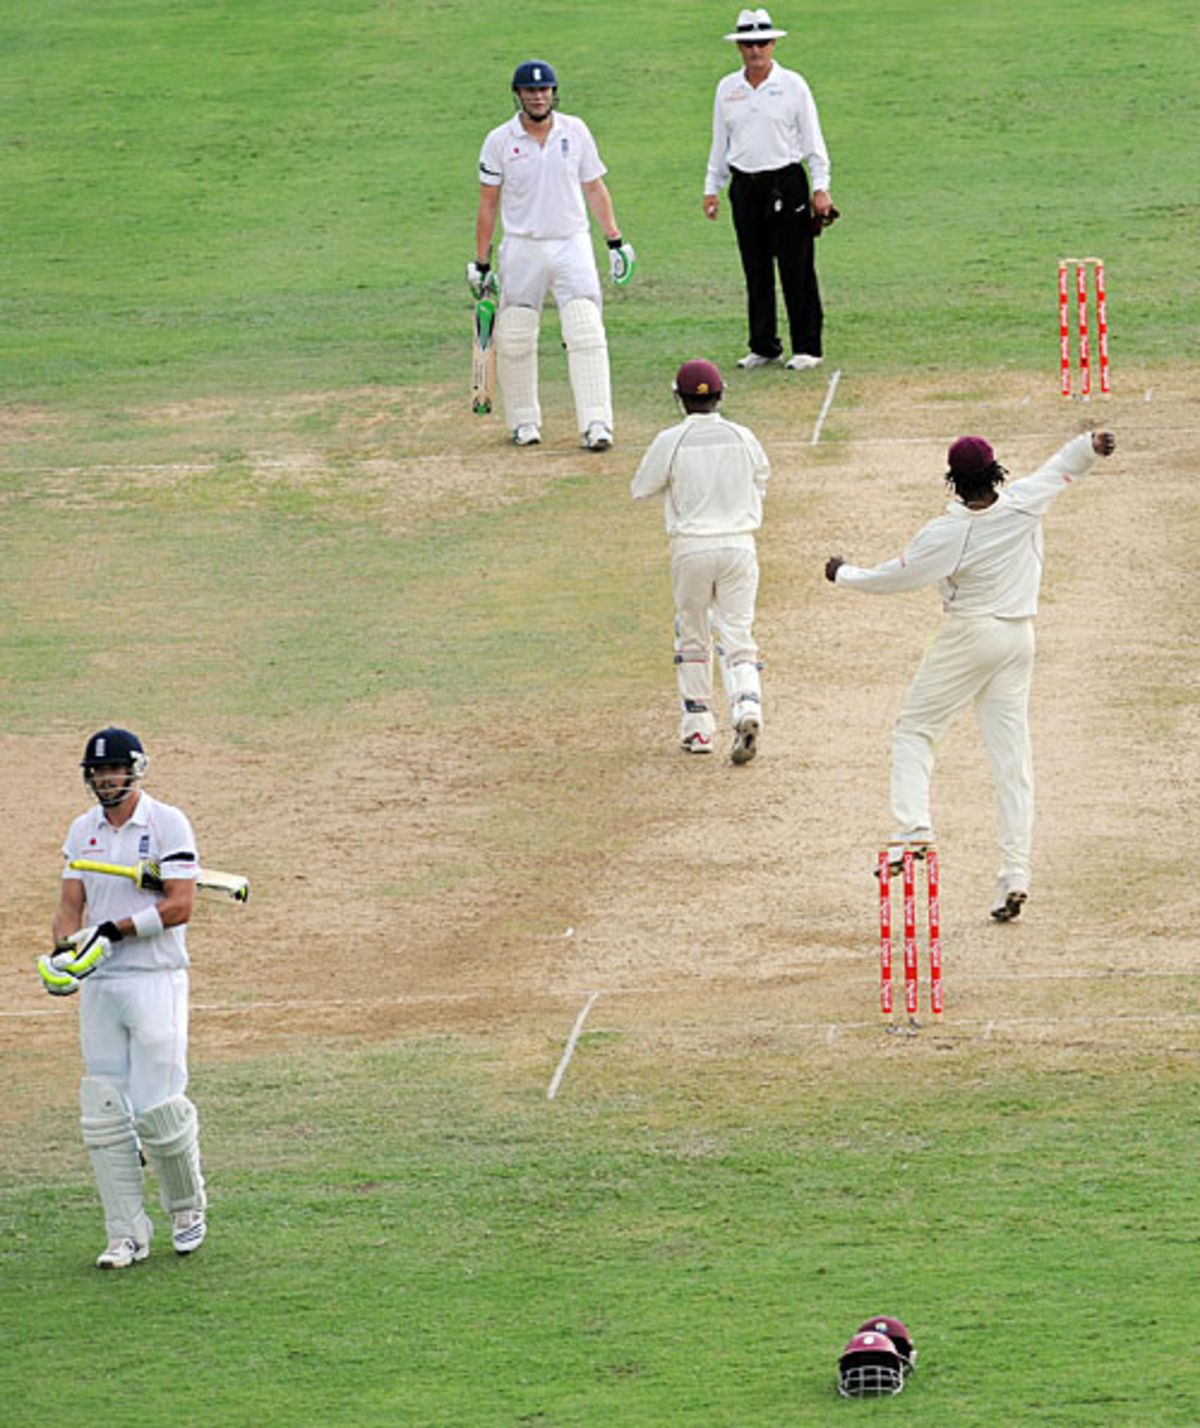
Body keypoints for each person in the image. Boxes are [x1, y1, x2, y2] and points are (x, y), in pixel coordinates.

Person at [825, 429, 1118, 920]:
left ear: (953, 482)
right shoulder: (1024, 501)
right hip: (1019, 638)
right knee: (1012, 759)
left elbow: (895, 577)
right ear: (996, 473)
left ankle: (914, 829)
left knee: (916, 730)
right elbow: (1063, 467)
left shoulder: (945, 533)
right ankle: (1014, 875)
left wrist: (842, 573)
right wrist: (1092, 443)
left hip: (971, 636)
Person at [40, 728, 207, 1268]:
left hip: (155, 977)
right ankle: (125, 1235)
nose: (106, 779)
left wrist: (113, 930)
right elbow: (71, 903)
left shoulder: (167, 822)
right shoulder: (82, 830)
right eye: (98, 771)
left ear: (136, 770)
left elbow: (180, 906)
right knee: (106, 1112)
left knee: (159, 1107)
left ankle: (186, 1210)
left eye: (115, 770)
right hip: (103, 984)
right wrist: (66, 951)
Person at [469, 59, 637, 451]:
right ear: (518, 95)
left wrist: (615, 239)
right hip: (522, 246)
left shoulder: (575, 131)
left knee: (585, 329)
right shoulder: (499, 140)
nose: (538, 96)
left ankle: (597, 422)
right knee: (513, 337)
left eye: (544, 90)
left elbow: (594, 187)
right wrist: (481, 263)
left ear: (553, 93)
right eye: (530, 91)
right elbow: (488, 205)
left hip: (571, 242)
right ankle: (524, 421)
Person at [631, 358, 769, 763]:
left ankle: (698, 728)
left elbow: (641, 488)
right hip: (740, 545)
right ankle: (747, 708)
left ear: (679, 399)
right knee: (738, 633)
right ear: (721, 393)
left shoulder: (671, 440)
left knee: (693, 631)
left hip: (691, 547)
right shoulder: (742, 436)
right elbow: (763, 477)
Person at [703, 8, 836, 372]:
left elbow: (814, 140)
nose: (755, 50)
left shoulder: (793, 85)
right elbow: (720, 141)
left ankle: (807, 346)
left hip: (786, 182)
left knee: (796, 267)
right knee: (756, 268)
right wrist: (712, 187)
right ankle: (764, 345)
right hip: (745, 185)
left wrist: (821, 187)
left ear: (773, 43)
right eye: (748, 44)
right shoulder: (727, 89)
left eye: (762, 43)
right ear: (739, 48)